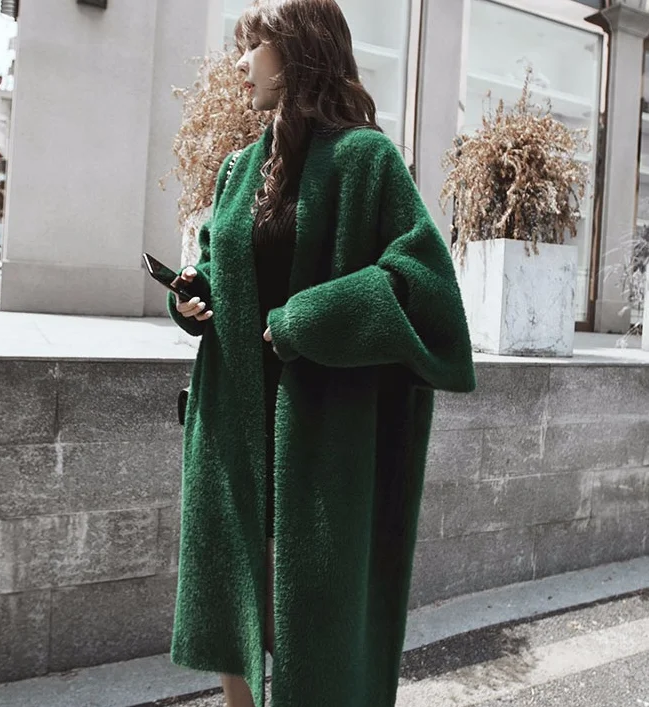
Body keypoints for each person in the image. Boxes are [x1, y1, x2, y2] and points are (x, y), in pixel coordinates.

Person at [166, 1, 476, 706]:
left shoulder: (366, 159)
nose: (240, 63)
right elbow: (221, 266)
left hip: (320, 435)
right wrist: (191, 295)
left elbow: (423, 287)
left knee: (310, 629)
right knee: (232, 600)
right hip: (234, 425)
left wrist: (308, 319)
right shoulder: (239, 168)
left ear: (298, 48)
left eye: (255, 45)